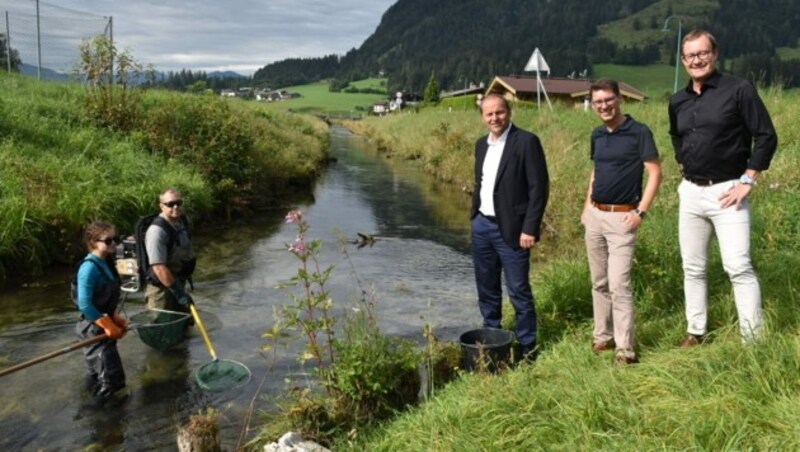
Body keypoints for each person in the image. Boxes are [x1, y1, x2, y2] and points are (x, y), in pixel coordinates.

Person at [668, 29, 778, 346]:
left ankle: (752, 340)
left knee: (738, 266)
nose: (697, 60)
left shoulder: (739, 90)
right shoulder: (678, 100)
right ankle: (696, 332)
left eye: (703, 53)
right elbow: (677, 135)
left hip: (730, 191)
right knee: (692, 267)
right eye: (690, 55)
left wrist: (748, 180)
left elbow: (766, 136)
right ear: (683, 60)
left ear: (715, 54)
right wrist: (683, 160)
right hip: (690, 192)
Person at [582, 79, 662, 365]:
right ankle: (603, 336)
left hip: (623, 218)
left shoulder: (639, 132)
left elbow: (655, 173)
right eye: (598, 102)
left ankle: (625, 348)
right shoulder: (597, 135)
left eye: (608, 100)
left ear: (619, 99)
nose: (603, 106)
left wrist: (640, 212)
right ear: (593, 105)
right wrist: (586, 207)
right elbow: (596, 171)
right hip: (595, 215)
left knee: (619, 283)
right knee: (598, 281)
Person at [471, 93, 549, 360]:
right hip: (482, 226)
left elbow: (539, 189)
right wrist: (474, 215)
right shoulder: (481, 145)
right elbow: (480, 182)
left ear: (509, 112)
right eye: (489, 114)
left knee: (518, 289)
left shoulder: (526, 142)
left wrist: (530, 228)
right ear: (483, 117)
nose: (495, 118)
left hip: (514, 229)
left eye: (500, 112)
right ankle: (492, 338)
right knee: (487, 287)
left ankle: (528, 346)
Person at [75, 220, 128, 405]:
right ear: (93, 242)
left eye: (116, 239)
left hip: (104, 325)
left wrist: (115, 318)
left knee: (107, 378)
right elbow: (85, 305)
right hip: (92, 329)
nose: (114, 243)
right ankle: (103, 425)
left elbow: (104, 300)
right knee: (110, 383)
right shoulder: (88, 268)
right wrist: (107, 326)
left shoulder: (107, 261)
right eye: (108, 241)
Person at [144, 188, 196, 316]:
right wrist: (179, 293)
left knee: (184, 326)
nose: (176, 206)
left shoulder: (182, 221)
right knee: (160, 329)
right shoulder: (157, 232)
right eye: (170, 204)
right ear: (161, 206)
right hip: (161, 290)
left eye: (179, 202)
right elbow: (159, 268)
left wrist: (181, 291)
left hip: (178, 282)